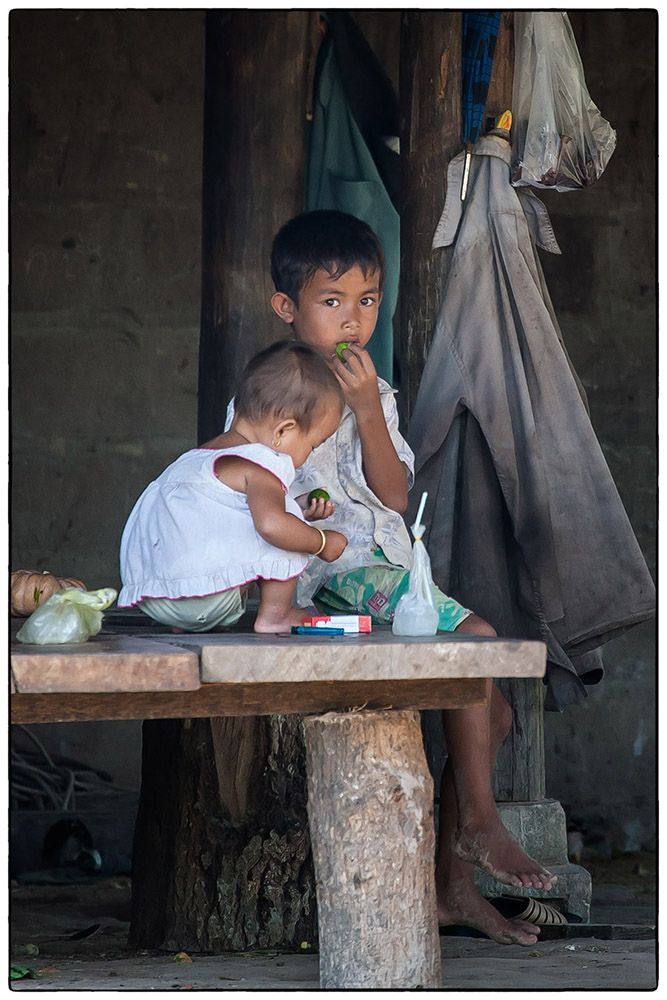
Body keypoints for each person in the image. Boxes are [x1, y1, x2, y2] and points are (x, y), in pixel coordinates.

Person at [231, 209, 555, 946]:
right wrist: (300, 508)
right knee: (476, 642)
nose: (353, 318)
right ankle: (478, 825)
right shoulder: (270, 391)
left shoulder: (373, 392)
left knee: (494, 713)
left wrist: (366, 410)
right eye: (332, 300)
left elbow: (395, 496)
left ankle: (452, 888)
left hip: (388, 570)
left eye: (367, 300)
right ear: (286, 307)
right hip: (330, 572)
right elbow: (249, 483)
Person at [118, 340, 347, 634]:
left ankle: (187, 624)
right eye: (312, 445)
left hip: (156, 596)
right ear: (283, 431)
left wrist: (297, 507)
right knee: (285, 528)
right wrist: (322, 542)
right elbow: (271, 525)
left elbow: (227, 521)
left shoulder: (196, 459)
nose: (309, 455)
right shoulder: (262, 463)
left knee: (285, 516)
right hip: (205, 600)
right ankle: (276, 616)